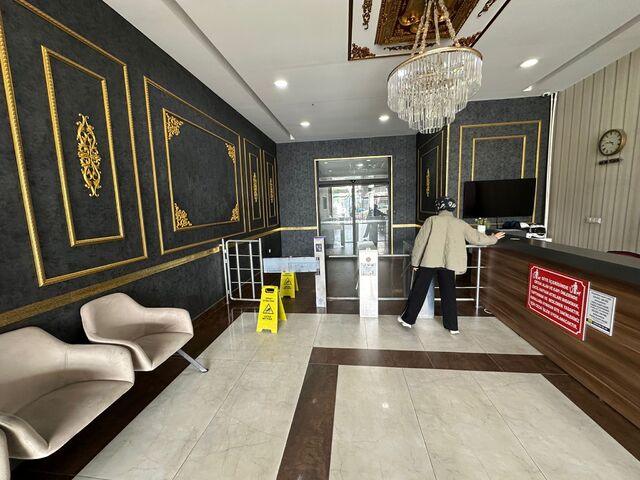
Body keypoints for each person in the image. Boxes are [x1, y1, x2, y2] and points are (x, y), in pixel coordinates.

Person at [397, 196, 505, 333]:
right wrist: (493, 238)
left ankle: (408, 320)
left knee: (419, 290)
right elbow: (476, 238)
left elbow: (420, 243)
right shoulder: (460, 223)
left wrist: (415, 262)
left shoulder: (432, 220)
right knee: (449, 294)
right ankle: (452, 326)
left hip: (429, 261)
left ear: (438, 207)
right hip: (450, 263)